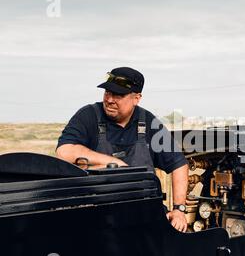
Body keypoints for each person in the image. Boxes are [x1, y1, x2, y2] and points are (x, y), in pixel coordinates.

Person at [56, 67, 188, 232]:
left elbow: (179, 164)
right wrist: (113, 163)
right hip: (98, 219)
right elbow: (64, 152)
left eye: (118, 95)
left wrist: (179, 209)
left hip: (145, 217)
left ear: (136, 98)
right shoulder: (88, 116)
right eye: (107, 93)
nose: (110, 99)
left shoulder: (148, 123)